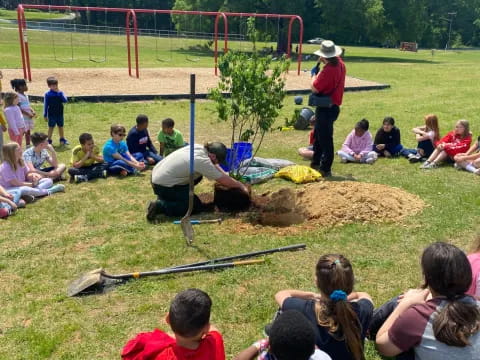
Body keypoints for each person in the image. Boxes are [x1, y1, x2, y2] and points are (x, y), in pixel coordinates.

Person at [374, 242, 480, 359]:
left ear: (426, 278)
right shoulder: (477, 305)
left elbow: (383, 346)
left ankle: (366, 325)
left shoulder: (417, 317)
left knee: (397, 305)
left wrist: (405, 304)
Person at [274, 254, 374, 360]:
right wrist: (342, 297)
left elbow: (281, 294)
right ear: (351, 282)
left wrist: (312, 295)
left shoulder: (303, 309)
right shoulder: (363, 310)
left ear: (317, 282)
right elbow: (363, 295)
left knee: (283, 312)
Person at [147, 142, 248, 221]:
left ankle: (170, 197)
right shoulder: (202, 161)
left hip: (157, 176)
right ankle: (160, 206)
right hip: (162, 185)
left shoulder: (199, 148)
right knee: (192, 207)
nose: (219, 163)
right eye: (218, 160)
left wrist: (225, 174)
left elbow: (215, 166)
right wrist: (240, 186)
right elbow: (223, 181)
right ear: (213, 156)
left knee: (197, 177)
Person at [121, 288, 225, 360]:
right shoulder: (214, 342)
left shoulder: (163, 356)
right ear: (205, 329)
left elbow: (130, 350)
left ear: (167, 319)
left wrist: (169, 337)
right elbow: (213, 330)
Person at [310, 40, 346, 178]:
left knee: (325, 138)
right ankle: (316, 162)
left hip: (325, 108)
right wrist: (324, 61)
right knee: (319, 136)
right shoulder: (340, 64)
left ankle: (325, 168)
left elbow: (314, 87)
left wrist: (314, 75)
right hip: (333, 106)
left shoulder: (328, 71)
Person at [234, 310, 332, 360]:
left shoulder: (265, 358)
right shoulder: (322, 357)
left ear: (271, 349)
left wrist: (260, 345)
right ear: (312, 350)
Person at [0, 142, 64, 199]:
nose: (21, 151)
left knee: (48, 180)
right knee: (24, 189)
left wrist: (33, 176)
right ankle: (51, 190)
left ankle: (32, 193)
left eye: (20, 148)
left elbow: (27, 173)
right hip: (10, 188)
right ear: (11, 153)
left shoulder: (21, 161)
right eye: (18, 150)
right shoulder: (5, 167)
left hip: (25, 184)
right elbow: (16, 183)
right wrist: (32, 185)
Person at [43, 76, 68, 145]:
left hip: (60, 113)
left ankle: (62, 139)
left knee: (61, 126)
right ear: (49, 86)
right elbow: (46, 105)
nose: (55, 87)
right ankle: (49, 140)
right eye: (53, 85)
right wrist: (45, 114)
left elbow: (65, 100)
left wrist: (59, 93)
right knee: (51, 127)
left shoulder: (60, 93)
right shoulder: (47, 94)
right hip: (51, 114)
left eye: (56, 85)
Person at [11, 79, 36, 148]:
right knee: (21, 132)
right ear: (20, 87)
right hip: (22, 118)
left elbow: (28, 105)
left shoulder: (26, 96)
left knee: (28, 131)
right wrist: (28, 114)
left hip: (28, 117)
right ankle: (17, 145)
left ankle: (28, 145)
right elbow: (18, 108)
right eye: (25, 85)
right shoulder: (17, 96)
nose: (26, 87)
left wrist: (32, 111)